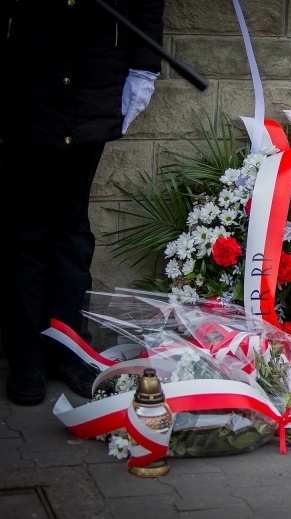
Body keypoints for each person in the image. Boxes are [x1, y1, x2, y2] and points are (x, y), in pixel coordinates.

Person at [0, 0, 165, 405]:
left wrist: (144, 70)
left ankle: (68, 347)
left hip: (92, 82)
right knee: (25, 230)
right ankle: (26, 356)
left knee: (72, 227)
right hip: (29, 79)